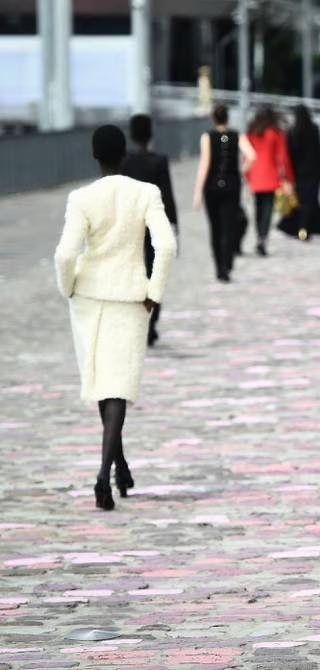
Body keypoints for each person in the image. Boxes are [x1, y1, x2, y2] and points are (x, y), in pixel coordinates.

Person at [54, 125, 177, 510]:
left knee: (100, 382)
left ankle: (115, 465)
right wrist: (154, 292)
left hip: (88, 296)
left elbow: (64, 254)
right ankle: (105, 473)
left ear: (95, 156)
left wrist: (68, 286)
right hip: (129, 296)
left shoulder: (81, 198)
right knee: (118, 385)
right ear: (123, 155)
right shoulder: (146, 193)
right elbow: (167, 245)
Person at [121, 114, 178, 345]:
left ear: (132, 135)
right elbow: (168, 197)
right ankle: (151, 323)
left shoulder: (124, 163)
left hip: (130, 227)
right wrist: (174, 227)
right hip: (154, 226)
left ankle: (137, 322)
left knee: (133, 275)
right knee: (155, 275)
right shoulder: (159, 161)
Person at [192, 104, 255, 281]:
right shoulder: (237, 135)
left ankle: (219, 267)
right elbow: (251, 155)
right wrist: (241, 171)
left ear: (213, 118)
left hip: (211, 187)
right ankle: (227, 264)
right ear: (228, 118)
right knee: (229, 226)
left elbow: (204, 164)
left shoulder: (207, 137)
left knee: (216, 228)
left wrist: (197, 191)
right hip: (232, 187)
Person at [246, 105, 295, 256]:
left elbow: (246, 156)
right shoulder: (275, 133)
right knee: (267, 209)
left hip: (255, 175)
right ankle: (263, 238)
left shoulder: (251, 132)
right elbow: (283, 157)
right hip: (271, 176)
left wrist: (246, 174)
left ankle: (259, 235)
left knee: (258, 208)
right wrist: (288, 177)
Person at [278, 105, 320, 241]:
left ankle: (300, 230)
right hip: (313, 172)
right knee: (309, 202)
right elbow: (319, 152)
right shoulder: (315, 130)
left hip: (297, 173)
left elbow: (288, 156)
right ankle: (304, 230)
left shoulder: (292, 132)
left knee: (298, 201)